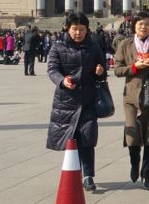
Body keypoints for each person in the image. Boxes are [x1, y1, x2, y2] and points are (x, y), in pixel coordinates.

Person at [46, 11, 107, 192]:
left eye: (82, 29)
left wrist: (100, 71)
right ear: (67, 28)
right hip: (66, 102)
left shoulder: (93, 47)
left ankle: (88, 176)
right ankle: (73, 174)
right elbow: (52, 70)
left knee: (88, 139)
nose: (78, 33)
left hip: (88, 100)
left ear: (87, 30)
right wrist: (62, 81)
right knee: (71, 140)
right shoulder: (58, 47)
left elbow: (102, 70)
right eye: (75, 29)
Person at [113, 11, 149, 189]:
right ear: (134, 26)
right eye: (140, 24)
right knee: (132, 137)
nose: (144, 27)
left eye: (147, 24)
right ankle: (134, 162)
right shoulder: (125, 44)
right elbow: (117, 70)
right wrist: (134, 67)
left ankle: (146, 175)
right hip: (131, 97)